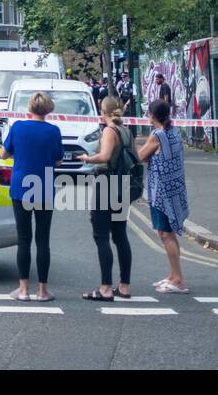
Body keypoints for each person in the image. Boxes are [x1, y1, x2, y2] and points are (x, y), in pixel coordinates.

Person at [2, 91, 63, 302]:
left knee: (24, 239)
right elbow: (58, 161)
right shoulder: (54, 131)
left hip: (21, 187)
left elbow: (4, 154)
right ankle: (43, 291)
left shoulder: (18, 127)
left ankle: (23, 290)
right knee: (43, 240)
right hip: (44, 187)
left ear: (30, 108)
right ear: (48, 109)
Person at [77, 95, 134, 301]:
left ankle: (106, 288)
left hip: (106, 183)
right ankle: (124, 287)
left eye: (101, 110)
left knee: (101, 236)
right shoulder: (127, 131)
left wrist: (87, 158)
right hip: (123, 185)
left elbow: (105, 156)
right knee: (120, 236)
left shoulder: (110, 131)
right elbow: (133, 157)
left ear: (105, 112)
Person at [138, 100, 189, 293]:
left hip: (161, 193)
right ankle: (174, 275)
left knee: (165, 234)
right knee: (169, 233)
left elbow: (140, 157)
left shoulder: (157, 135)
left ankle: (178, 280)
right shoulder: (173, 131)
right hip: (175, 190)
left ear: (152, 115)